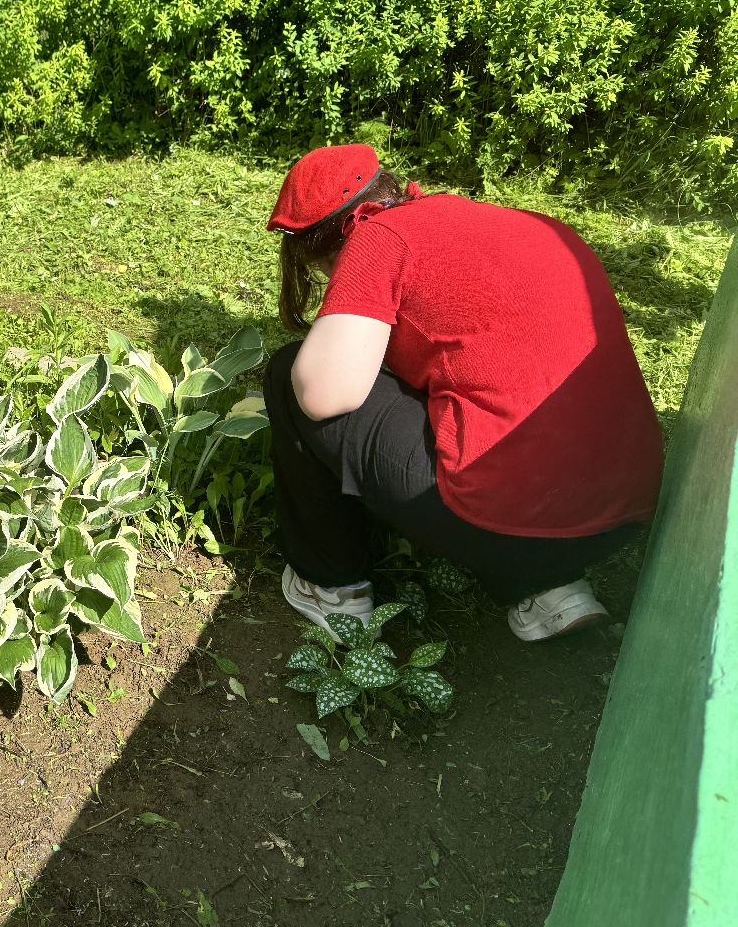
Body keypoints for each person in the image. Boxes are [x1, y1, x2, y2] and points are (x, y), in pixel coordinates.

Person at [262, 144, 664, 641]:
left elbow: (323, 394)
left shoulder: (376, 237)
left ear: (329, 242)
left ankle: (331, 587)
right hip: (622, 513)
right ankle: (548, 587)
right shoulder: (530, 223)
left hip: (507, 521)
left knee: (291, 375)